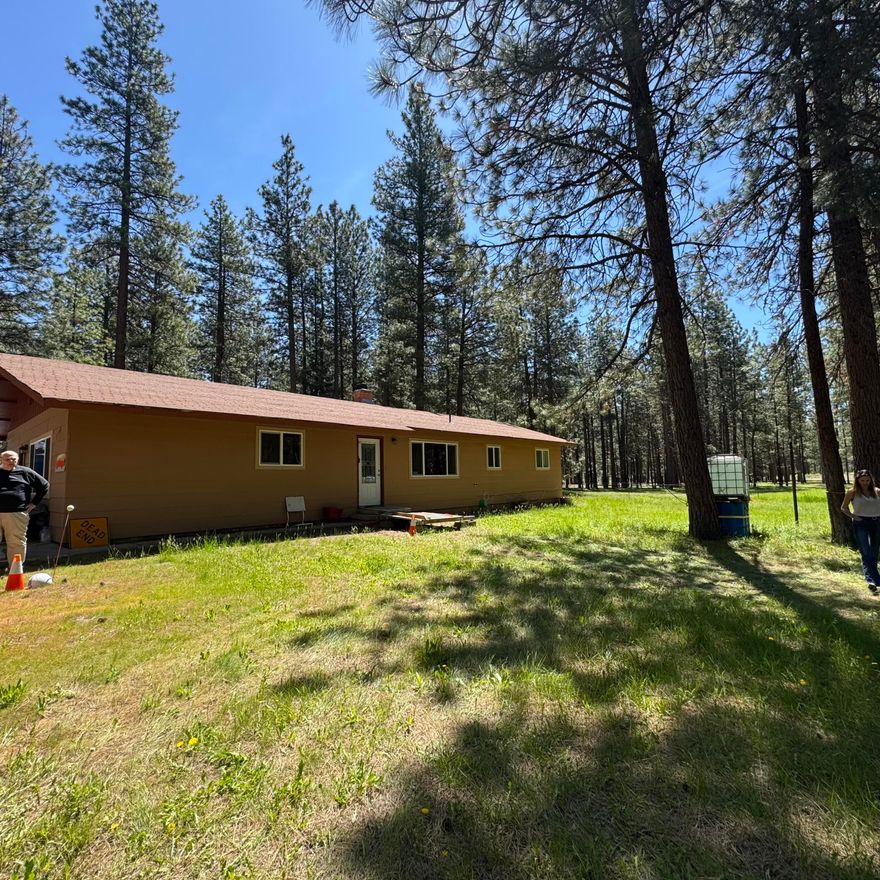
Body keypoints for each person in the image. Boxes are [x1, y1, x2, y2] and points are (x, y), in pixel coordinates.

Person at [0, 449, 50, 570]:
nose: (11, 461)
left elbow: (44, 485)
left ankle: (15, 569)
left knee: (16, 541)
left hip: (16, 512)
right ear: (1, 460)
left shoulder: (25, 472)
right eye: (8, 459)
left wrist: (34, 503)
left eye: (14, 459)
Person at [841, 469, 880, 594]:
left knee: (874, 551)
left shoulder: (877, 491)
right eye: (862, 480)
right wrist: (854, 517)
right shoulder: (852, 493)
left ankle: (873, 580)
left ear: (871, 480)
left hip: (876, 522)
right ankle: (873, 580)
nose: (865, 483)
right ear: (857, 480)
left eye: (867, 480)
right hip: (860, 523)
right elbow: (844, 507)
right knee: (865, 551)